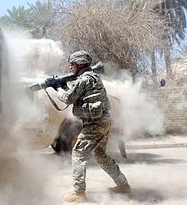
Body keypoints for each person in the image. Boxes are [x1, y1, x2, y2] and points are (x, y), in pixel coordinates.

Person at [46, 50, 131, 203]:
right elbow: (76, 94)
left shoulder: (84, 80)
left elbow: (67, 98)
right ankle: (123, 185)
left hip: (94, 124)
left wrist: (57, 87)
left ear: (80, 64)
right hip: (103, 122)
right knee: (101, 155)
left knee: (78, 154)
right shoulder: (92, 78)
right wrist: (64, 86)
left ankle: (79, 193)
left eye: (72, 64)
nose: (70, 67)